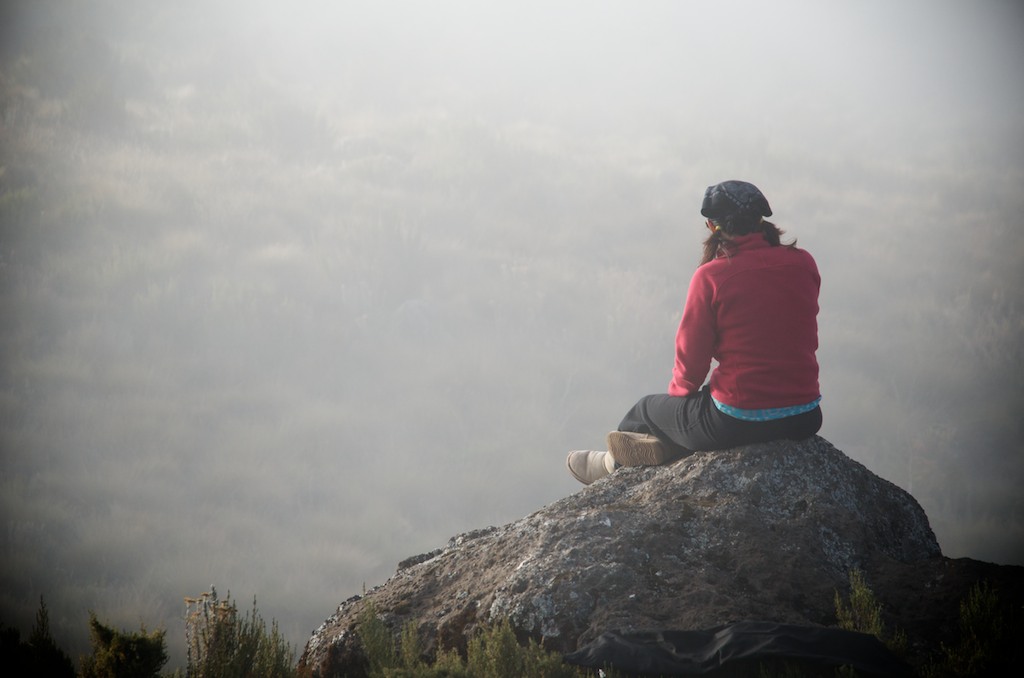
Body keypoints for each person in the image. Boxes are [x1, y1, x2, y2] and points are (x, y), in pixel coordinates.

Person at [567, 180, 822, 485]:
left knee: (644, 411)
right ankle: (669, 443)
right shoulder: (804, 263)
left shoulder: (712, 277)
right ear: (761, 220)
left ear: (712, 227)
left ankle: (611, 464)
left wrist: (680, 403)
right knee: (688, 417)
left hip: (738, 421)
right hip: (805, 416)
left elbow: (691, 367)